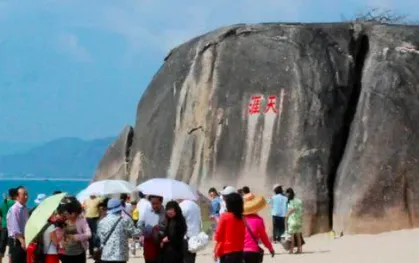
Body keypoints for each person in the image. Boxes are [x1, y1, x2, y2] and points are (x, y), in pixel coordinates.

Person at [97, 198, 141, 263]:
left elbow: (100, 237)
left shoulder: (102, 222)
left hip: (106, 256)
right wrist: (142, 228)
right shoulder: (125, 220)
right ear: (120, 209)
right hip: (120, 256)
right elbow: (135, 233)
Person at [242, 194, 274, 263]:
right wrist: (270, 248)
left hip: (240, 252)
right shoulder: (259, 220)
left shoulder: (240, 220)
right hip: (253, 252)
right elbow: (263, 236)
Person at [213, 193, 245, 263]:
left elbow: (218, 236)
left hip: (227, 252)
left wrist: (215, 250)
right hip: (239, 251)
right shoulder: (242, 218)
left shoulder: (224, 216)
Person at [60, 199, 91, 263]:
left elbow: (88, 234)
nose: (65, 214)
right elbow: (60, 236)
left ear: (74, 213)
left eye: (67, 213)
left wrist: (75, 237)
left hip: (78, 253)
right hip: (65, 253)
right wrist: (61, 240)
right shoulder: (63, 221)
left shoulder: (82, 221)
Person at [137, 195, 166, 263]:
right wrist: (145, 230)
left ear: (161, 202)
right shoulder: (146, 211)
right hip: (149, 245)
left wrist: (159, 230)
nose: (155, 205)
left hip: (161, 245)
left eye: (157, 203)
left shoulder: (165, 213)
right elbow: (139, 224)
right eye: (153, 203)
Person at [7, 186, 29, 263]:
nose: (26, 197)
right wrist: (22, 241)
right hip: (17, 241)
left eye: (27, 194)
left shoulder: (25, 208)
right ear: (17, 196)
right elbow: (14, 228)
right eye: (24, 194)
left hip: (24, 239)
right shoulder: (14, 209)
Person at [0, 188, 17, 263]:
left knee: (1, 247)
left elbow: (0, 215)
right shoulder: (14, 203)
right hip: (12, 228)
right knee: (11, 248)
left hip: (4, 227)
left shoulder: (4, 202)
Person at [285, 188, 304, 254]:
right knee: (298, 236)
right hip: (299, 220)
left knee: (292, 236)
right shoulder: (299, 201)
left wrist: (287, 215)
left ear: (289, 194)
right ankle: (300, 250)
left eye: (287, 194)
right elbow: (301, 210)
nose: (286, 195)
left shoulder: (291, 201)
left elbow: (292, 209)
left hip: (292, 220)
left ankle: (291, 250)